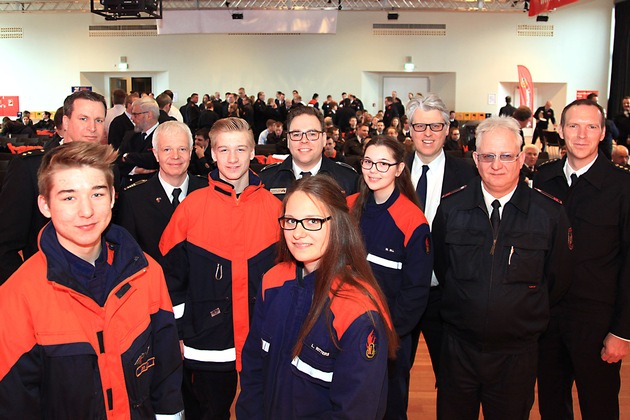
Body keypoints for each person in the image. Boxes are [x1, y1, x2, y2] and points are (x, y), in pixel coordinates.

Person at [0, 141, 184, 419]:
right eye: (69, 197)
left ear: (112, 198)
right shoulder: (18, 296)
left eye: (97, 194)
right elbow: (15, 401)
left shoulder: (147, 273)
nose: (86, 211)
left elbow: (166, 370)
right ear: (45, 205)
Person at [432, 116, 571, 419]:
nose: (497, 165)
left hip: (517, 355)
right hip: (459, 350)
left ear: (521, 159)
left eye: (506, 156)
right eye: (488, 156)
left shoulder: (549, 213)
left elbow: (556, 280)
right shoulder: (451, 208)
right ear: (476, 160)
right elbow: (443, 268)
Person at [237, 175, 398, 419]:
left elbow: (354, 411)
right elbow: (253, 370)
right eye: (291, 221)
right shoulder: (272, 281)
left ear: (339, 224)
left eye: (313, 221)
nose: (298, 233)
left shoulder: (357, 310)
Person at [159, 117, 282, 420]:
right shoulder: (191, 208)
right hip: (207, 343)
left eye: (240, 149)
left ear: (253, 152)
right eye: (224, 149)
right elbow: (172, 281)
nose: (232, 158)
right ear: (212, 153)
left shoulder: (275, 209)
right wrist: (178, 332)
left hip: (263, 339)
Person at [534, 99, 630, 419]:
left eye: (591, 127)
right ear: (560, 130)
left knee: (600, 407)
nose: (581, 134)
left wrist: (623, 332)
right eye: (573, 126)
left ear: (602, 133)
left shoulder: (623, 186)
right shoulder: (544, 178)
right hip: (547, 322)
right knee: (551, 406)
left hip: (598, 324)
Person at [348, 136, 433, 419]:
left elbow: (415, 292)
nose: (373, 170)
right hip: (347, 328)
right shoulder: (348, 208)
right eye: (368, 162)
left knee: (390, 407)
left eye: (383, 164)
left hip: (390, 336)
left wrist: (389, 335)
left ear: (399, 169)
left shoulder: (412, 221)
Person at [0, 90, 108, 284]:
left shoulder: (108, 169)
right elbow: (5, 245)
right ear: (65, 122)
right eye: (83, 118)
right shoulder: (29, 168)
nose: (92, 128)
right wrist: (28, 288)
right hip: (47, 283)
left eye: (98, 120)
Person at [405, 94, 477, 380]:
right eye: (420, 126)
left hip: (446, 295)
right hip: (401, 293)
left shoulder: (469, 175)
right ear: (409, 129)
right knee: (393, 379)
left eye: (435, 126)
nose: (428, 133)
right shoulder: (391, 170)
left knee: (451, 379)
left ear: (447, 129)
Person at [116, 121, 208, 266]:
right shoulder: (133, 199)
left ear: (190, 152)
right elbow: (128, 257)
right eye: (167, 149)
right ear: (156, 154)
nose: (175, 156)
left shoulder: (208, 192)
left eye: (182, 149)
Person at [260, 106, 358, 201]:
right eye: (296, 134)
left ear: (324, 139)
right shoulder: (266, 180)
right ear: (288, 140)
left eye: (312, 134)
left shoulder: (348, 179)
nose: (304, 140)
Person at [117, 96, 160, 187]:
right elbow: (117, 161)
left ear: (149, 115)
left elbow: (154, 160)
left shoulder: (163, 135)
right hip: (128, 187)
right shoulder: (130, 135)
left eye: (135, 115)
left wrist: (128, 156)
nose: (132, 118)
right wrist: (134, 170)